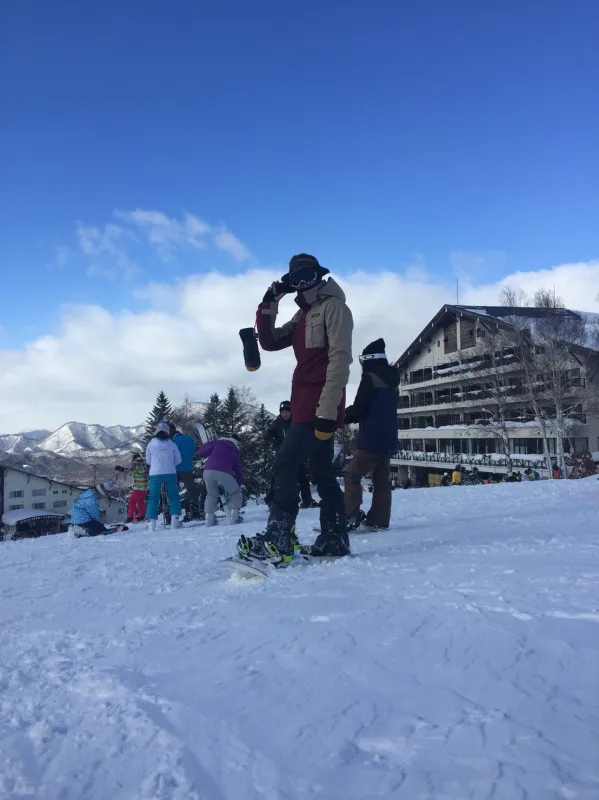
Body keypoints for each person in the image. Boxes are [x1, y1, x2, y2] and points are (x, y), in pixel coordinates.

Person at [237, 253, 353, 564]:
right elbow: (270, 341)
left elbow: (340, 359)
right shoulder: (303, 314)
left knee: (285, 465)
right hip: (303, 402)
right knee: (322, 473)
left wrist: (327, 410)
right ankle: (334, 537)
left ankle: (280, 537)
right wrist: (269, 302)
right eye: (296, 279)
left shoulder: (334, 307)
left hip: (318, 405)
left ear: (319, 275)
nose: (303, 283)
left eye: (308, 276)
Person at [343, 338, 400, 531]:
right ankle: (379, 519)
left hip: (372, 439)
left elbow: (360, 408)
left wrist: (342, 417)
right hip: (389, 438)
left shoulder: (370, 378)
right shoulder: (393, 381)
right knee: (381, 480)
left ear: (369, 360)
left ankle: (349, 516)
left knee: (352, 475)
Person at [265, 400, 317, 509]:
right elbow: (268, 435)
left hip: (297, 455)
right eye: (283, 412)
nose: (285, 414)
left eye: (287, 412)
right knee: (277, 478)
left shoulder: (296, 423)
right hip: (282, 456)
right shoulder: (276, 423)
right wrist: (268, 434)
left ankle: (307, 500)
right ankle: (271, 500)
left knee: (302, 477)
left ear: (291, 412)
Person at [197, 433, 244, 526]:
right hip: (224, 472)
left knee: (211, 494)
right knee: (235, 492)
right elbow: (238, 472)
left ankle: (209, 520)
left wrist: (210, 451)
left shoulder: (218, 443)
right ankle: (235, 518)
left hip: (207, 471)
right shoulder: (234, 452)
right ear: (237, 443)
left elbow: (200, 451)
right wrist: (237, 485)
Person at [145, 420, 182, 530]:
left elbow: (148, 461)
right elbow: (179, 460)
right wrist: (170, 463)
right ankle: (175, 522)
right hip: (170, 472)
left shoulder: (151, 444)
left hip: (155, 473)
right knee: (174, 496)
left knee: (153, 498)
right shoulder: (172, 443)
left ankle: (152, 525)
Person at [170, 423, 203, 519]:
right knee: (191, 490)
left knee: (173, 491)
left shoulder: (171, 441)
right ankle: (194, 510)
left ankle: (172, 515)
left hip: (173, 470)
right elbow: (193, 453)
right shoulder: (189, 439)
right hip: (187, 468)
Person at [127, 452, 148, 522]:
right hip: (143, 486)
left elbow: (133, 472)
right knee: (140, 501)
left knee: (132, 501)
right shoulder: (143, 464)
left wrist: (127, 470)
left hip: (138, 486)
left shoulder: (137, 465)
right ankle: (142, 515)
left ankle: (130, 516)